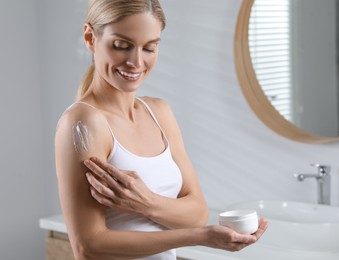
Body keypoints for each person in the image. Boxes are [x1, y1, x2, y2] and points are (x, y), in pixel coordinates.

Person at [55, 0, 268, 259]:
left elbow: (198, 212)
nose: (136, 61)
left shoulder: (159, 113)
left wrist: (147, 203)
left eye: (149, 48)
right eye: (122, 45)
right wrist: (202, 236)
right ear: (90, 37)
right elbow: (89, 245)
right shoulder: (84, 122)